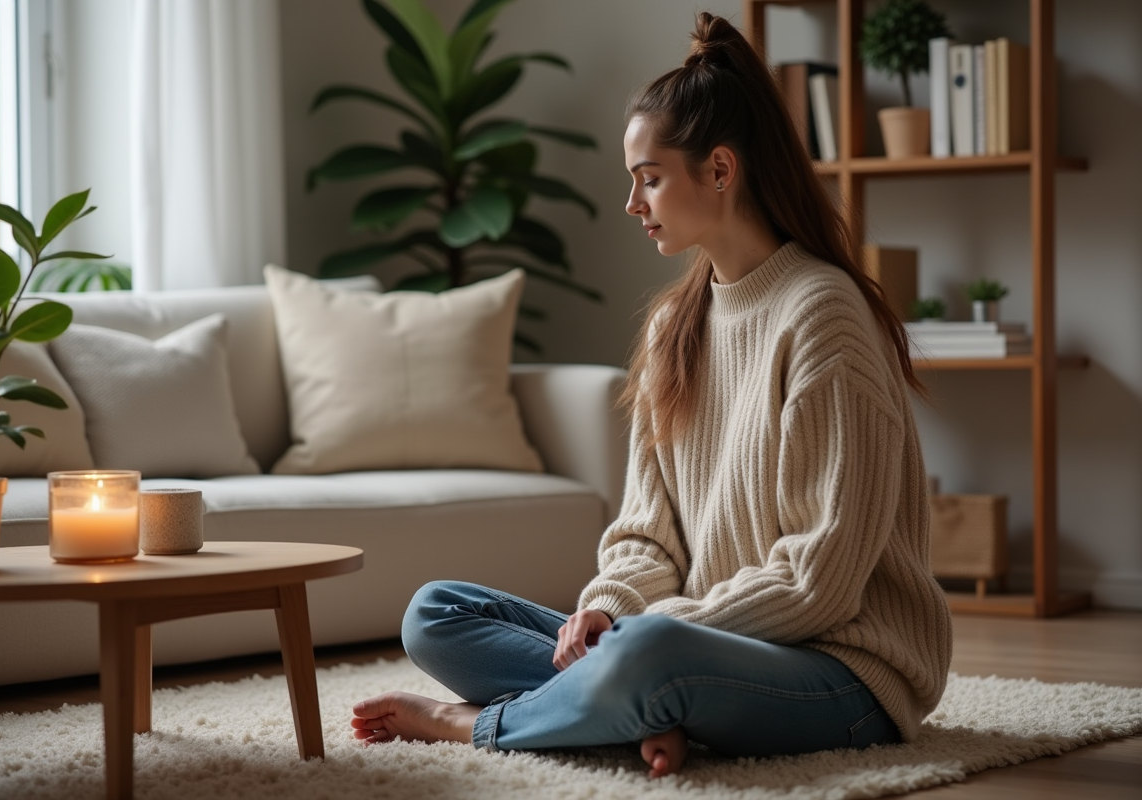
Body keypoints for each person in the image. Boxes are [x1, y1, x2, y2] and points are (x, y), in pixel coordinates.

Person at [351, 12, 953, 778]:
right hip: (694, 646)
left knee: (649, 649)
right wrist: (606, 608)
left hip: (843, 672)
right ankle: (633, 710)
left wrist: (646, 629)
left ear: (721, 170)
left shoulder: (822, 315)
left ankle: (478, 725)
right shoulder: (676, 322)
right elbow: (647, 534)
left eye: (649, 178)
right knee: (435, 614)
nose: (634, 204)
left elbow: (819, 582)